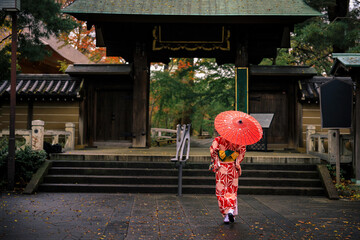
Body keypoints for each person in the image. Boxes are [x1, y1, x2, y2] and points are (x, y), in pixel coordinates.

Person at [209, 135, 246, 224]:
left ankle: (226, 214)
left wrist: (217, 158)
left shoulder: (218, 139)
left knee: (221, 191)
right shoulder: (239, 140)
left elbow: (213, 151)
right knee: (232, 190)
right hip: (232, 168)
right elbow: (242, 151)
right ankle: (231, 210)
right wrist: (237, 162)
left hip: (222, 168)